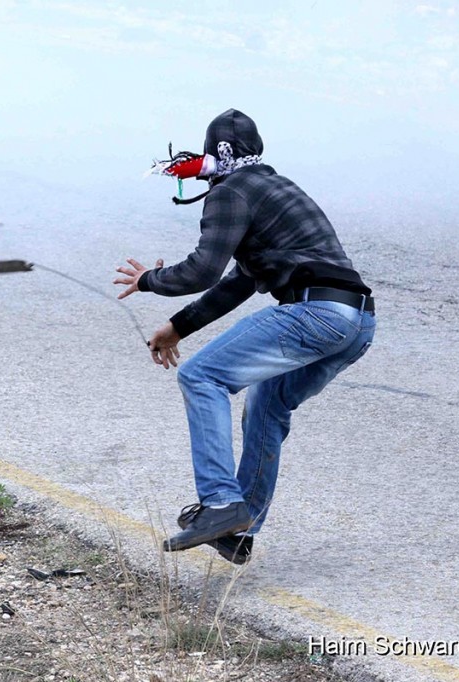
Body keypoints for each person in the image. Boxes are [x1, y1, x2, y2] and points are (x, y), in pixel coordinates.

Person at [114, 109, 375, 564]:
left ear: (212, 157)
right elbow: (239, 282)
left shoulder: (230, 192)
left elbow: (202, 270)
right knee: (267, 404)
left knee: (201, 377)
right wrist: (178, 327)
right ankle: (240, 529)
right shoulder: (274, 187)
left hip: (315, 313)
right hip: (356, 322)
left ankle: (220, 503)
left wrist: (151, 280)